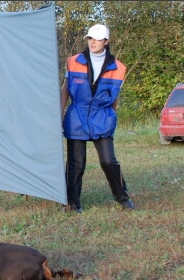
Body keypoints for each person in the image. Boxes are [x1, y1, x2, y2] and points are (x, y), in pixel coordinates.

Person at [60, 24, 135, 212]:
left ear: (106, 42)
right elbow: (65, 90)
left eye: (98, 39)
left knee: (109, 160)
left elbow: (115, 97)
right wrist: (59, 114)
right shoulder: (73, 61)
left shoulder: (118, 67)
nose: (93, 42)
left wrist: (111, 115)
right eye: (90, 38)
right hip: (77, 116)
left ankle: (122, 197)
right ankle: (72, 203)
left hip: (102, 116)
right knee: (76, 164)